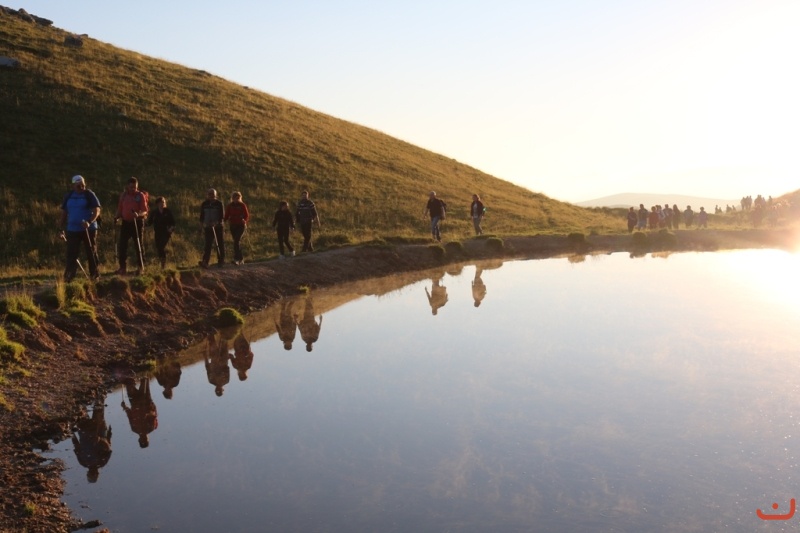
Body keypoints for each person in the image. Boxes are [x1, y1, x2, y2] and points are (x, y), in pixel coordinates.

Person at [59, 175, 101, 281]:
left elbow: (97, 210)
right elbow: (64, 213)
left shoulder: (89, 194)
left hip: (88, 229)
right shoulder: (69, 196)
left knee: (91, 252)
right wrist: (60, 228)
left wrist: (89, 221)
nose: (81, 187)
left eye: (83, 185)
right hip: (72, 229)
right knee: (71, 254)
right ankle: (69, 277)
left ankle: (94, 275)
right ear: (73, 185)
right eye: (78, 186)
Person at [71, 396, 112, 483]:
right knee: (99, 406)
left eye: (91, 474)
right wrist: (101, 439)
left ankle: (81, 393)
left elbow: (77, 446)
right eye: (94, 474)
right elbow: (108, 447)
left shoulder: (83, 462)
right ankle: (99, 391)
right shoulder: (102, 462)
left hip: (84, 430)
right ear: (98, 473)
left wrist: (72, 434)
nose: (93, 472)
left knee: (80, 407)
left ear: (87, 473)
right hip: (99, 429)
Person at [114, 177, 148, 276]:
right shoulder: (123, 196)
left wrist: (138, 214)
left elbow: (144, 210)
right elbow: (120, 208)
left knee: (138, 244)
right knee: (122, 245)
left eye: (135, 187)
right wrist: (116, 217)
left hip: (137, 222)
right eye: (131, 187)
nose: (133, 189)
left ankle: (141, 267)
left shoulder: (140, 195)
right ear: (127, 187)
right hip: (126, 222)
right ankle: (122, 267)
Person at [121, 377, 158, 449]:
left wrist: (125, 407)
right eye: (145, 440)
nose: (144, 438)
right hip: (146, 401)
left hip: (134, 403)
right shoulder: (151, 428)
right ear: (148, 439)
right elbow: (153, 415)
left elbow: (130, 416)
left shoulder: (134, 429)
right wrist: (147, 414)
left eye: (142, 440)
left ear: (139, 440)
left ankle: (127, 373)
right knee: (144, 379)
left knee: (129, 382)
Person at [146, 196, 175, 269]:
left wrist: (171, 229)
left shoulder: (168, 211)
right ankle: (162, 262)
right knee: (159, 248)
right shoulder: (154, 213)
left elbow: (173, 222)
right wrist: (143, 224)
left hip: (166, 232)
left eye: (163, 202)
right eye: (161, 202)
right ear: (157, 204)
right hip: (157, 232)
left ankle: (163, 265)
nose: (162, 204)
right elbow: (149, 222)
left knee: (161, 247)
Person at [199, 188, 225, 268]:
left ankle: (221, 261)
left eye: (212, 194)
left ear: (215, 195)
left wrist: (216, 223)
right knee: (208, 244)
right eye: (209, 194)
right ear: (207, 195)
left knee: (219, 244)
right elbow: (202, 216)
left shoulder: (219, 204)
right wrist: (200, 226)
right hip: (208, 227)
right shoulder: (204, 204)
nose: (211, 196)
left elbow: (221, 216)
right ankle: (205, 261)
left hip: (218, 227)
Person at [224, 191, 250, 265]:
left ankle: (236, 259)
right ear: (232, 198)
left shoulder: (242, 205)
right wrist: (223, 221)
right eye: (235, 198)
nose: (237, 199)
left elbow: (246, 215)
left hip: (241, 225)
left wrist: (244, 220)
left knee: (236, 241)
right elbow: (226, 215)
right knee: (236, 242)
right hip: (233, 225)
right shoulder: (230, 206)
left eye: (238, 198)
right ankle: (241, 259)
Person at [204, 331, 230, 396]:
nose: (218, 389)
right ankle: (224, 328)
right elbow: (227, 369)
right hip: (224, 358)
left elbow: (208, 368)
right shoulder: (226, 380)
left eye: (217, 390)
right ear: (223, 389)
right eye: (220, 390)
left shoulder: (211, 381)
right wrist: (221, 364)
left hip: (214, 359)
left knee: (212, 342)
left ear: (215, 390)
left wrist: (205, 357)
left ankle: (210, 328)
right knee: (224, 341)